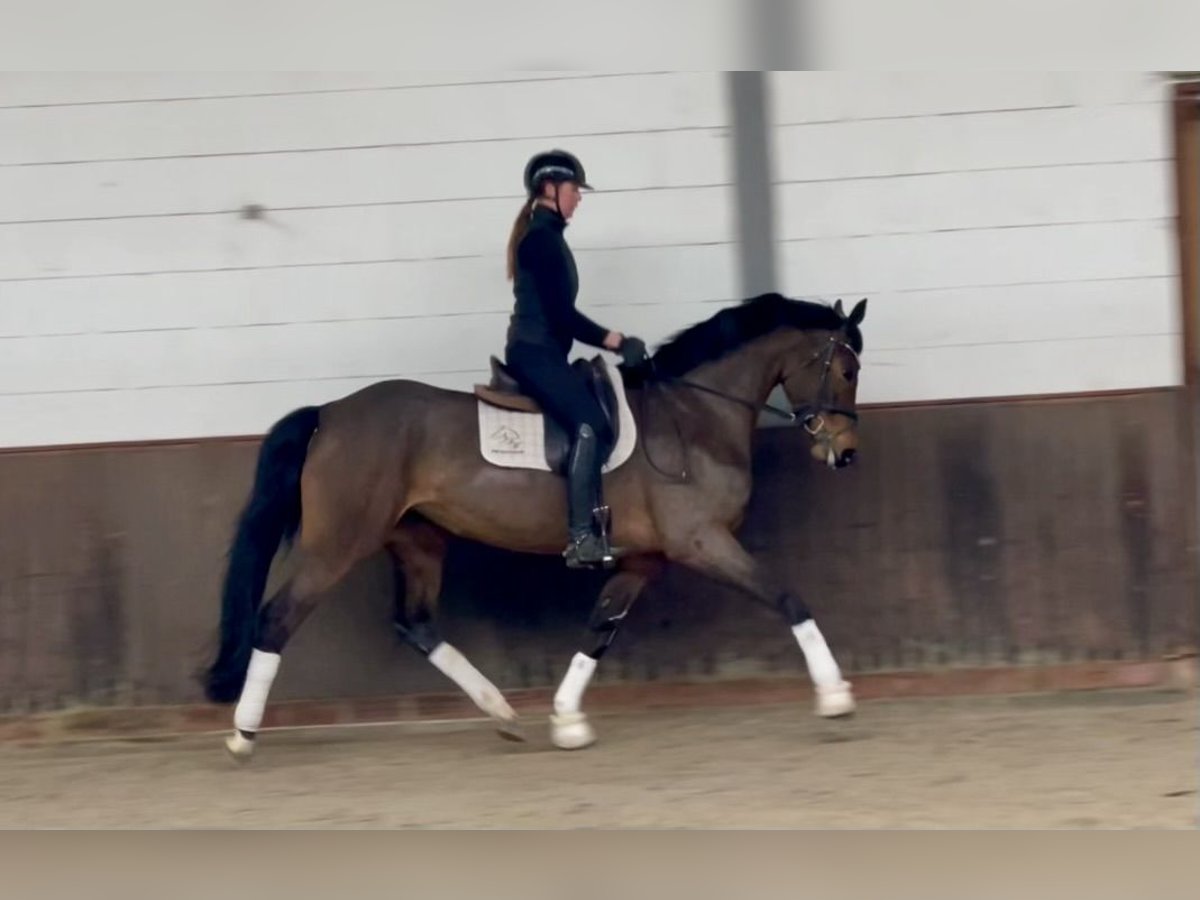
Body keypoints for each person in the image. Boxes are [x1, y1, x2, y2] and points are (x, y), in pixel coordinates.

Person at [503, 149, 649, 569]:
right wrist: (615, 340)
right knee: (589, 425)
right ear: (550, 190)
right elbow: (561, 314)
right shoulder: (541, 240)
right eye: (574, 190)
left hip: (544, 351)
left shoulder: (546, 237)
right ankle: (581, 537)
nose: (579, 199)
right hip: (534, 353)